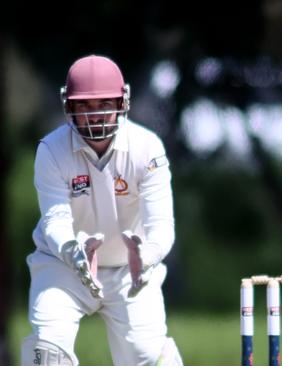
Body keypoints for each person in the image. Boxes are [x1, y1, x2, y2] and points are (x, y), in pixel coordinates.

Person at [21, 55, 183, 366]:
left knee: (147, 356)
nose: (95, 116)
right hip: (63, 266)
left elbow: (161, 225)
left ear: (123, 101)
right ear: (69, 106)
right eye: (84, 106)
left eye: (104, 104)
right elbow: (55, 219)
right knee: (47, 351)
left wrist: (145, 256)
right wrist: (74, 252)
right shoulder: (51, 150)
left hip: (130, 271)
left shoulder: (147, 148)